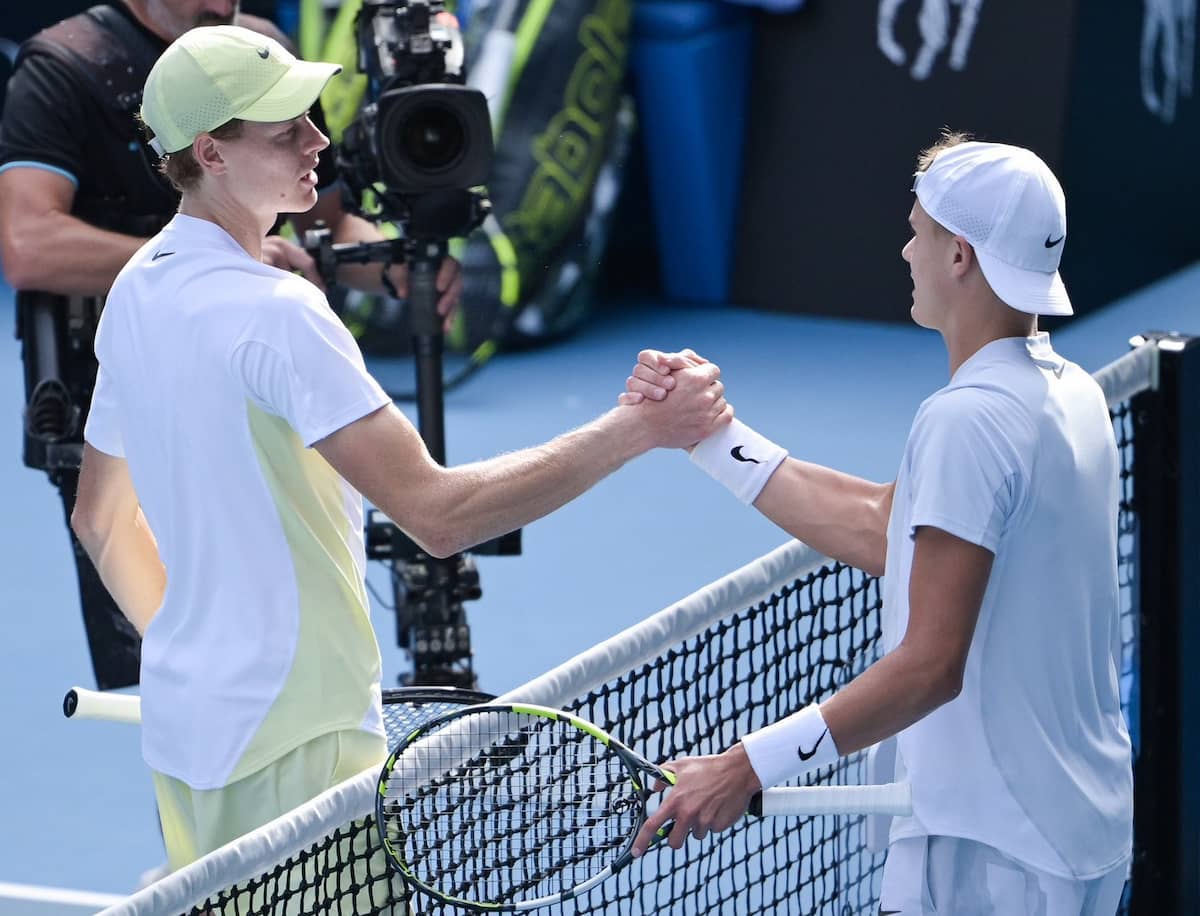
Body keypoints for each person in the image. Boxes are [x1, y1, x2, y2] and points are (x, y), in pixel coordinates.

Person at [67, 24, 730, 871]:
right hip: (301, 738)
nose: (318, 142)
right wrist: (641, 428)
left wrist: (197, 648)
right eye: (285, 132)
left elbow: (100, 519)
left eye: (311, 117)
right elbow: (440, 516)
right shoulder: (279, 313)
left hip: (185, 729)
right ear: (212, 153)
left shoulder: (136, 289)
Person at [622, 135, 1132, 914]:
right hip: (1072, 833)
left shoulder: (968, 420)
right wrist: (711, 437)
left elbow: (931, 667)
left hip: (996, 859)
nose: (905, 249)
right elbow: (880, 529)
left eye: (919, 231)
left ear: (959, 255)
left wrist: (746, 765)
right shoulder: (1068, 394)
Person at [0, 0, 458, 690]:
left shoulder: (263, 51)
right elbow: (28, 244)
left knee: (280, 615)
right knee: (169, 665)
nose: (225, 5)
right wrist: (215, 263)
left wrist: (392, 263)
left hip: (263, 398)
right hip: (125, 401)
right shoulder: (61, 68)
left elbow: (325, 220)